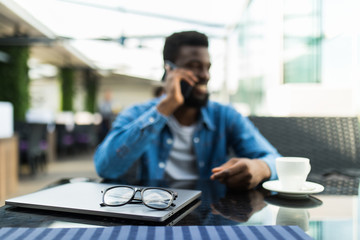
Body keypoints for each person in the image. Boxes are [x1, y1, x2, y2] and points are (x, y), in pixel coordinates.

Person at [94, 31, 281, 190]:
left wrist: (260, 167)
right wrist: (166, 106)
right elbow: (106, 167)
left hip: (209, 212)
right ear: (169, 70)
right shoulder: (137, 114)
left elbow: (276, 160)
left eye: (207, 68)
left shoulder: (225, 115)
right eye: (194, 66)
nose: (205, 76)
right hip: (154, 213)